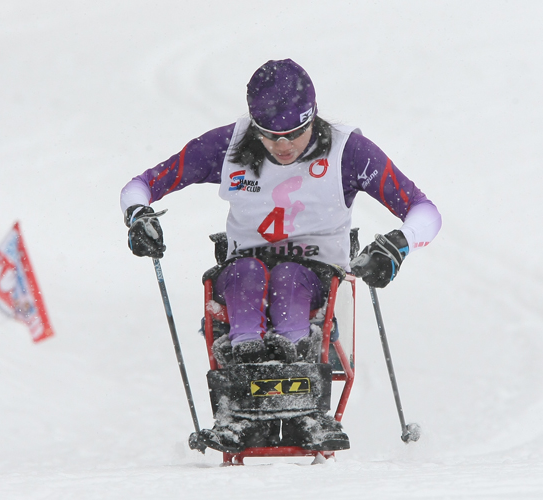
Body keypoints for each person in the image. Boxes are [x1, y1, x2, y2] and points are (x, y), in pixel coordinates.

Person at [120, 59, 442, 453]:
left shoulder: (348, 151)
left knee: (288, 277)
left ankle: (304, 406)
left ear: (313, 119)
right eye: (271, 135)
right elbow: (142, 185)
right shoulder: (229, 145)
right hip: (243, 269)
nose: (284, 145)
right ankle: (237, 406)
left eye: (295, 133)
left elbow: (425, 212)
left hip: (317, 272)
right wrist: (138, 216)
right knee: (248, 275)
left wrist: (398, 244)